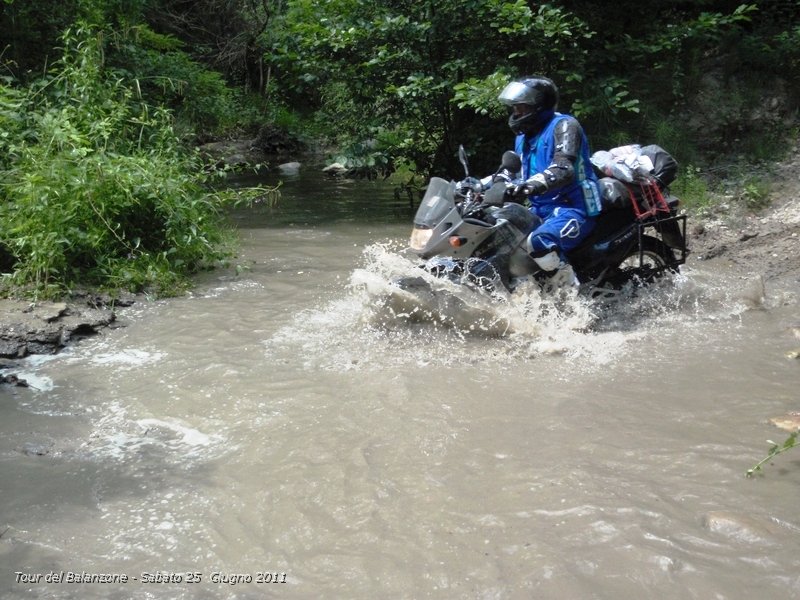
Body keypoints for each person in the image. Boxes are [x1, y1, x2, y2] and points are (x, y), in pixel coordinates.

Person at [480, 76, 600, 287]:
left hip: (573, 207)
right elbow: (516, 171)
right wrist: (481, 185)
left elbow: (563, 168)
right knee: (497, 231)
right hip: (540, 208)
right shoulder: (523, 136)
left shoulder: (564, 126)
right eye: (515, 109)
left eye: (522, 109)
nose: (516, 114)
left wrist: (527, 187)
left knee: (539, 242)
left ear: (539, 106)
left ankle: (571, 299)